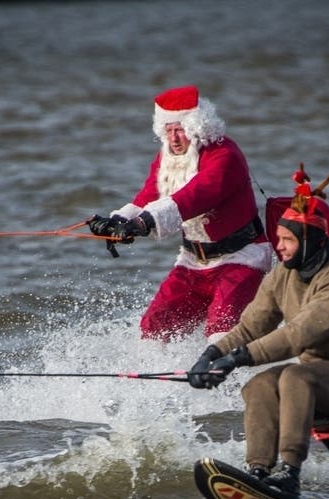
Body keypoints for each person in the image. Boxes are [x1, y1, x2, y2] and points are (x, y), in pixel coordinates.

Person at [187, 174, 329, 497]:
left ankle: (290, 473)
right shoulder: (283, 273)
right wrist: (211, 355)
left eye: (286, 239)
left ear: (309, 240)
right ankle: (258, 471)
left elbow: (300, 334)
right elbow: (250, 326)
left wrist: (237, 359)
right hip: (319, 378)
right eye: (278, 238)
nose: (278, 246)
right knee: (259, 385)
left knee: (295, 378)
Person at [88, 85, 272, 342]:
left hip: (240, 260)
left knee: (220, 331)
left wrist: (144, 223)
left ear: (197, 128)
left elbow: (193, 198)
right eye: (169, 130)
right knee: (153, 328)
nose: (174, 138)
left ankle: (232, 379)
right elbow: (150, 195)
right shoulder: (168, 157)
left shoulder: (224, 156)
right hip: (193, 262)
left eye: (181, 130)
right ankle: (157, 379)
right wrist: (119, 221)